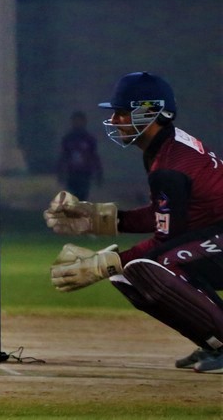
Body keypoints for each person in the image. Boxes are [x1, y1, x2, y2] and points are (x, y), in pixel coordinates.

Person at [44, 72, 223, 374]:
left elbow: (166, 240)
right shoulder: (165, 148)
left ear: (151, 112)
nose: (115, 120)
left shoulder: (169, 165)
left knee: (149, 267)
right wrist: (101, 220)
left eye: (123, 113)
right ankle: (213, 341)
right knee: (128, 276)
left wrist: (105, 262)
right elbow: (166, 214)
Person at [55, 111, 103, 200]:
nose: (77, 123)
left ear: (84, 122)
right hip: (71, 173)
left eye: (79, 121)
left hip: (85, 173)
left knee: (82, 196)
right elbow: (63, 156)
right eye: (75, 121)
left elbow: (94, 156)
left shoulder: (89, 139)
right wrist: (60, 173)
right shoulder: (68, 138)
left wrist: (99, 173)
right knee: (72, 196)